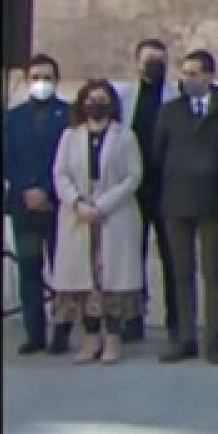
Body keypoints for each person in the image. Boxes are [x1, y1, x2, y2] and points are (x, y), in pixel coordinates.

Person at [151, 49, 218, 365]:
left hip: (213, 202)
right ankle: (184, 338)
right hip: (176, 200)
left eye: (193, 73)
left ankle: (213, 341)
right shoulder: (170, 111)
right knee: (181, 272)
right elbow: (158, 153)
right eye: (184, 72)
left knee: (211, 272)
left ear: (208, 76)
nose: (186, 79)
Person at [49, 80, 143, 364]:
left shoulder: (125, 136)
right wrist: (77, 202)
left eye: (102, 100)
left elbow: (133, 177)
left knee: (111, 278)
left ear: (111, 104)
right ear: (83, 104)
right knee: (83, 279)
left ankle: (112, 341)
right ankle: (90, 340)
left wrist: (101, 205)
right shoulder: (69, 136)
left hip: (114, 215)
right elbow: (60, 174)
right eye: (91, 100)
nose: (96, 105)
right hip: (77, 216)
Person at [4, 54, 73, 355]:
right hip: (24, 206)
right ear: (27, 80)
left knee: (63, 271)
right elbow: (8, 159)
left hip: (59, 206)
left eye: (47, 77)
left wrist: (47, 190)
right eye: (36, 77)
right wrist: (25, 190)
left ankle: (62, 331)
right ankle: (35, 332)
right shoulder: (13, 118)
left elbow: (71, 160)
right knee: (30, 268)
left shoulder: (69, 115)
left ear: (56, 80)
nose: (41, 83)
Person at [112, 39, 178, 344]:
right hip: (132, 187)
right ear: (137, 62)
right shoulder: (123, 98)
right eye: (149, 60)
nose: (154, 65)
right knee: (131, 256)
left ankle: (176, 320)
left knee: (172, 256)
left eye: (160, 60)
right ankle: (133, 318)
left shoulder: (175, 98)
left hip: (167, 187)